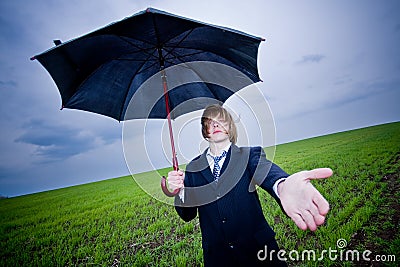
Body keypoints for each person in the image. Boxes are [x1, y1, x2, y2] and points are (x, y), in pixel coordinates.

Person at [167, 104, 332, 266]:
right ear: (205, 131)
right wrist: (179, 191)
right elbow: (187, 214)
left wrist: (282, 185)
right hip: (218, 257)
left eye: (220, 120)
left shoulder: (248, 155)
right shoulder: (194, 168)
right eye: (209, 122)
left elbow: (267, 172)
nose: (215, 124)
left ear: (230, 127)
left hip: (259, 252)